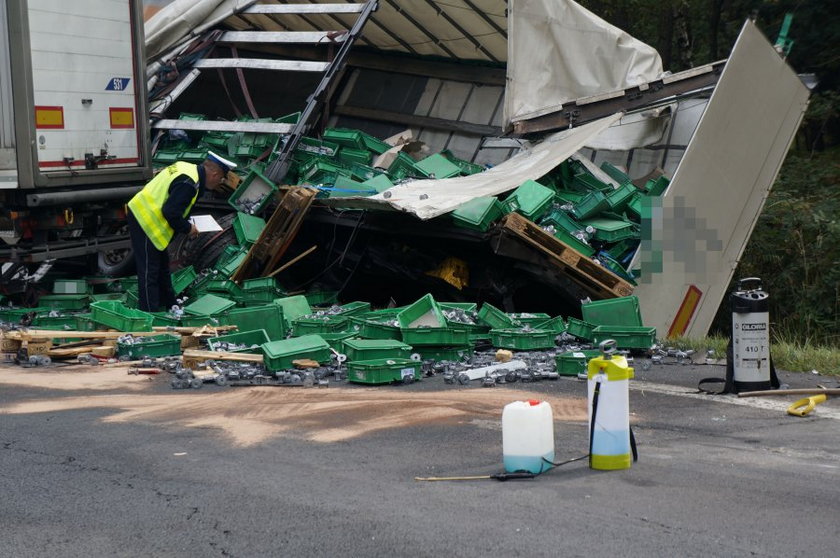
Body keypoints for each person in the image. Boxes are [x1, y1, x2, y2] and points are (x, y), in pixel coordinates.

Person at [126, 151, 236, 312]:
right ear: (214, 173)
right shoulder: (190, 184)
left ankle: (170, 304)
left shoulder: (187, 168)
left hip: (148, 216)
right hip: (144, 219)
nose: (221, 182)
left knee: (162, 267)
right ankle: (149, 313)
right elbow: (170, 211)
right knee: (149, 271)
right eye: (221, 177)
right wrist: (188, 228)